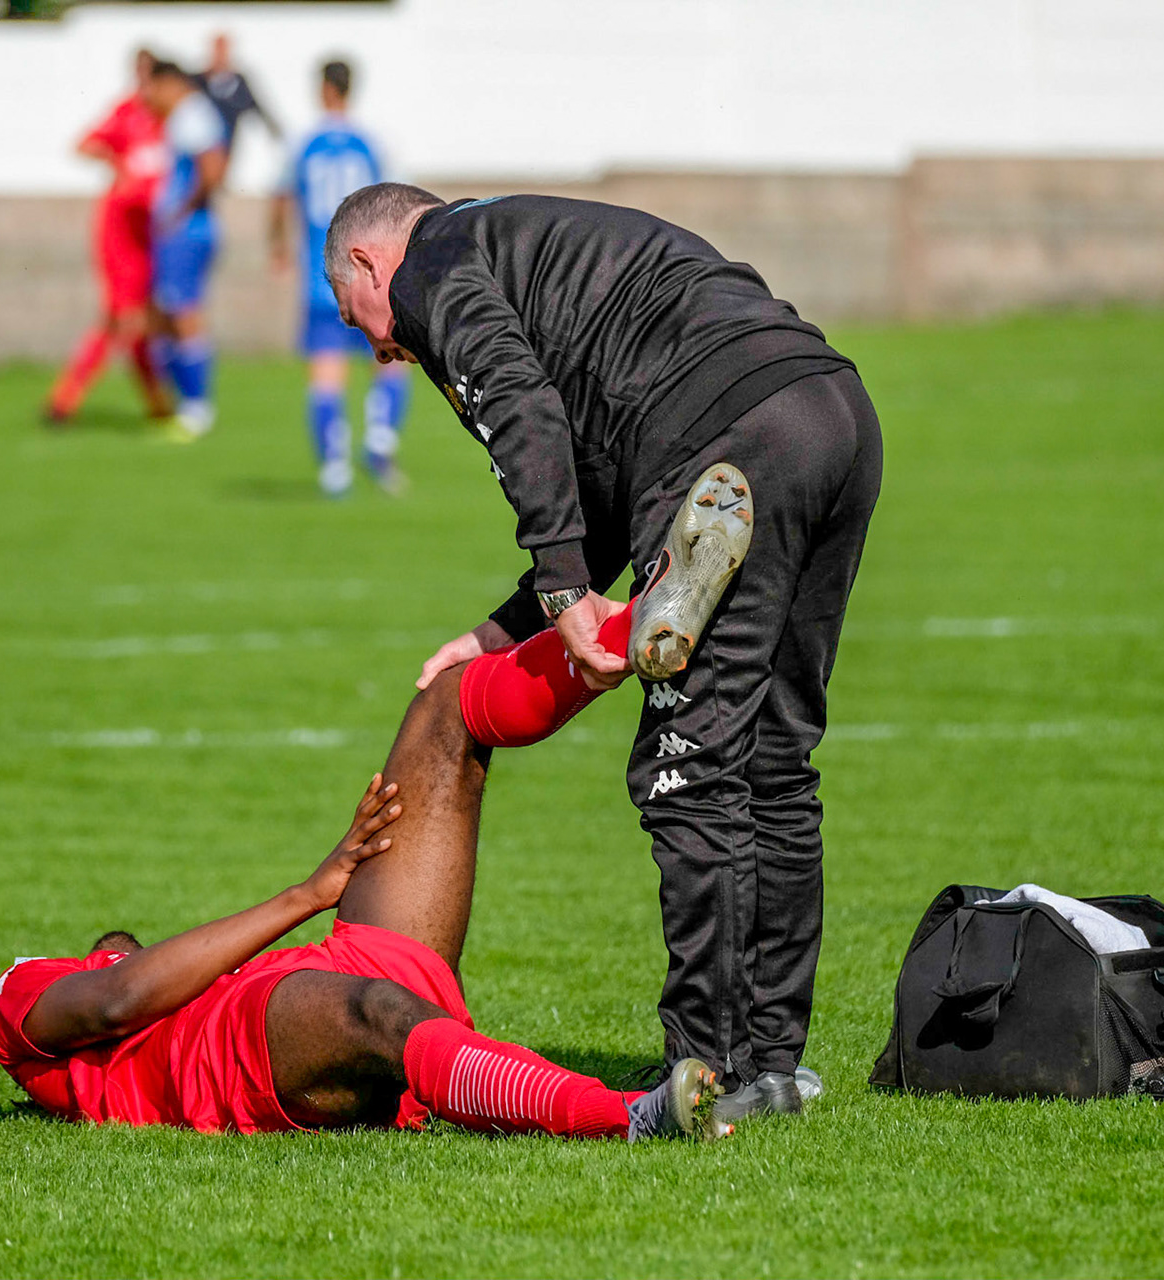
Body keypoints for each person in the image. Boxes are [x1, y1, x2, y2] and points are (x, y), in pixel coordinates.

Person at [323, 184, 884, 1121]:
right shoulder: (520, 241)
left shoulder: (433, 264)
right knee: (775, 762)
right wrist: (510, 627)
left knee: (688, 772)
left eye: (361, 319)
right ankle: (776, 1067)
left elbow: (516, 399)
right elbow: (605, 485)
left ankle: (708, 1074)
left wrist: (563, 589)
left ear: (374, 264)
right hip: (829, 407)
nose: (382, 346)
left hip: (721, 440)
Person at [0, 549, 748, 1139]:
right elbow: (117, 997)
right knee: (380, 1012)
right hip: (241, 1050)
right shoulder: (22, 1002)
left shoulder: (152, 977)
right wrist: (308, 895)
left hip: (319, 967)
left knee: (447, 705)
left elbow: (130, 978)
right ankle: (629, 1117)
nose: (120, 946)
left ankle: (635, 624)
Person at [269, 59, 409, 497]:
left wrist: (277, 245)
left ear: (323, 90)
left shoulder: (302, 145)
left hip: (320, 278)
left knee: (326, 374)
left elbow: (280, 199)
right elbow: (396, 206)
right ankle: (379, 441)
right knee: (391, 363)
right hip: (369, 280)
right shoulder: (374, 144)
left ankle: (334, 470)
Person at [44, 49, 173, 426]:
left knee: (135, 321)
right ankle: (67, 399)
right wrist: (118, 163)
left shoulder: (170, 119)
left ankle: (155, 402)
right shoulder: (126, 112)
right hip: (120, 229)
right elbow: (83, 144)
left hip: (152, 230)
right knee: (122, 317)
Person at [142, 61, 229, 442]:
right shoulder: (185, 115)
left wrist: (178, 213)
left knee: (184, 313)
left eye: (151, 87)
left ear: (169, 83)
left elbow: (211, 169)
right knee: (162, 314)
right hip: (177, 231)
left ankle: (197, 408)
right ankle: (180, 403)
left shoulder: (192, 113)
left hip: (187, 231)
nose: (148, 96)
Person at [196, 33, 279, 153]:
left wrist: (273, 129)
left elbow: (256, 106)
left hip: (230, 145)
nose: (220, 54)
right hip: (203, 145)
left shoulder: (239, 82)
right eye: (217, 49)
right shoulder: (198, 80)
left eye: (223, 49)